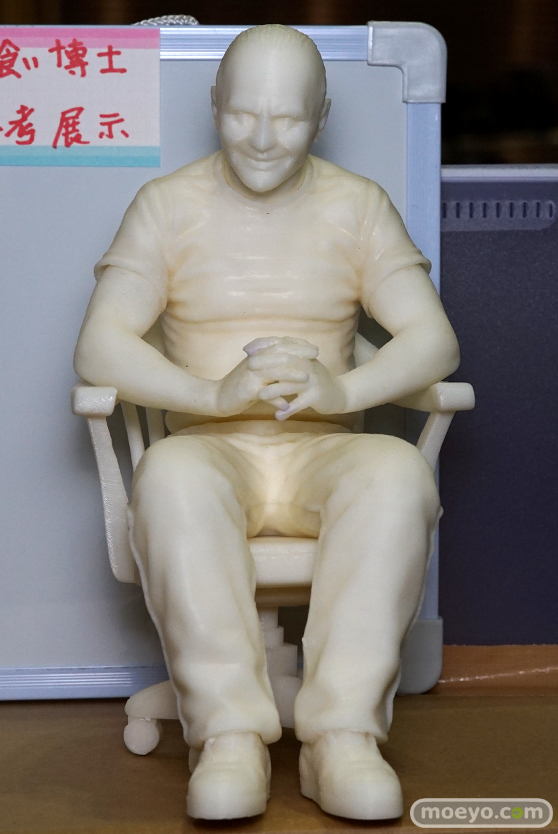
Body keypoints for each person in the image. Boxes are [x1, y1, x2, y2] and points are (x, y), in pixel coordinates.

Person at [74, 24, 459, 821]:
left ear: (322, 117)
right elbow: (99, 345)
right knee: (169, 474)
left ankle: (342, 738)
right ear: (214, 102)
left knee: (396, 472)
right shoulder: (166, 206)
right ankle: (229, 737)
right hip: (212, 449)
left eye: (286, 118)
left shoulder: (358, 206)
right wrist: (213, 396)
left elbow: (434, 341)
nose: (260, 138)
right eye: (242, 112)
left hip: (322, 449)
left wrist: (339, 390)